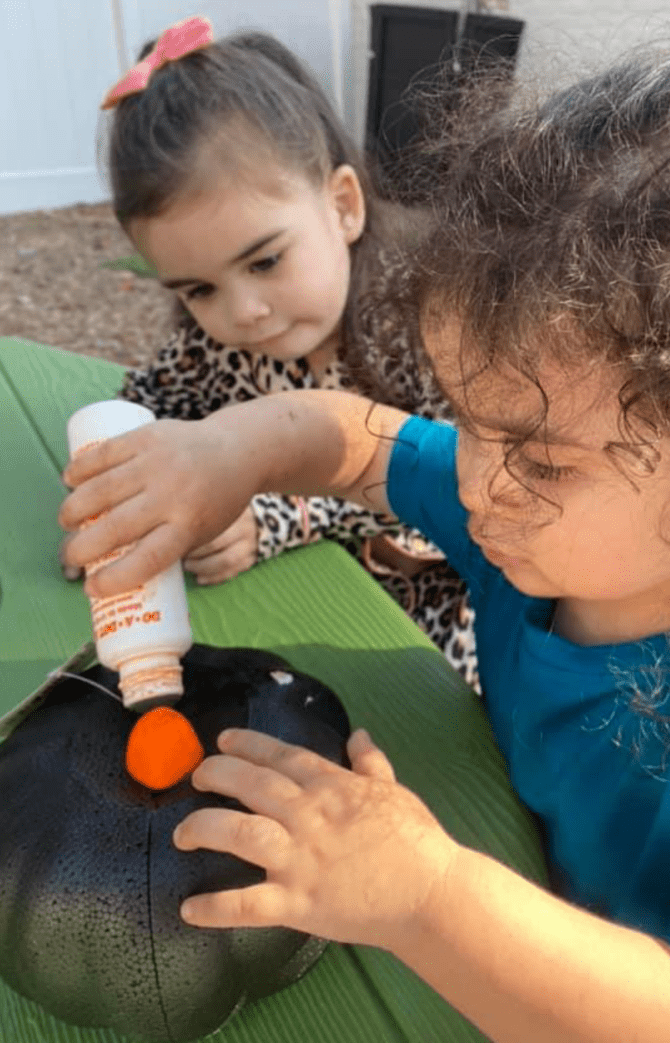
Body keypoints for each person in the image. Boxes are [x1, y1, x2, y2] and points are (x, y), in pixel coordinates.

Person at [60, 35, 670, 1043]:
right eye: (466, 418)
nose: (472, 481)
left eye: (541, 460)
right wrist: (225, 452)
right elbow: (360, 441)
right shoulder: (524, 520)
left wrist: (428, 893)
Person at [92, 17, 478, 687]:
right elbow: (146, 403)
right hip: (288, 626)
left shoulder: (430, 323)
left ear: (344, 205)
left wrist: (274, 513)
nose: (243, 311)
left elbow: (464, 476)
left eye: (265, 260)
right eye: (198, 289)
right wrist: (122, 479)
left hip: (431, 647)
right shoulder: (214, 345)